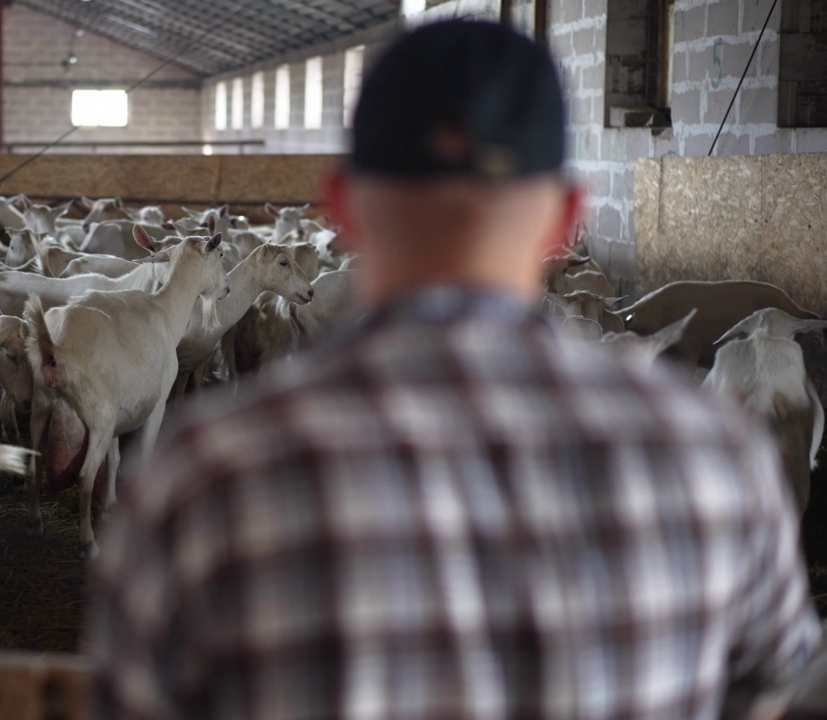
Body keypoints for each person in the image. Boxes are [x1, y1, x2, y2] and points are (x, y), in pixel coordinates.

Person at [86, 18, 820, 720]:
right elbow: (779, 697)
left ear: (343, 208)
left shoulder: (206, 476)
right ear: (566, 219)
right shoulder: (714, 461)